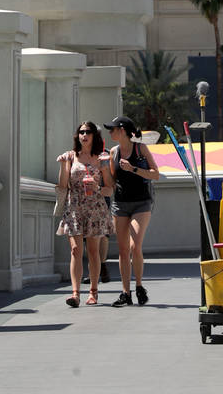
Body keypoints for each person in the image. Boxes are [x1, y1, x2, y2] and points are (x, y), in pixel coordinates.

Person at [56, 121, 114, 306]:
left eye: (88, 132)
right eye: (81, 132)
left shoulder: (102, 158)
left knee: (93, 251)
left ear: (94, 136)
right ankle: (75, 293)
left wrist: (97, 186)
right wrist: (64, 166)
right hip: (74, 208)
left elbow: (109, 190)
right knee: (75, 250)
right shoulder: (71, 157)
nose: (84, 135)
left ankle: (93, 292)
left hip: (95, 209)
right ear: (77, 136)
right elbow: (63, 185)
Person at [105, 115, 160, 307]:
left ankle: (139, 286)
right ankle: (125, 292)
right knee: (122, 249)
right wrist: (104, 169)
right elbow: (111, 183)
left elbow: (156, 174)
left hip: (141, 202)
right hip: (120, 203)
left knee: (135, 245)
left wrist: (133, 169)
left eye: (112, 129)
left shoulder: (140, 148)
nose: (110, 132)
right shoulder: (113, 152)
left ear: (122, 131)